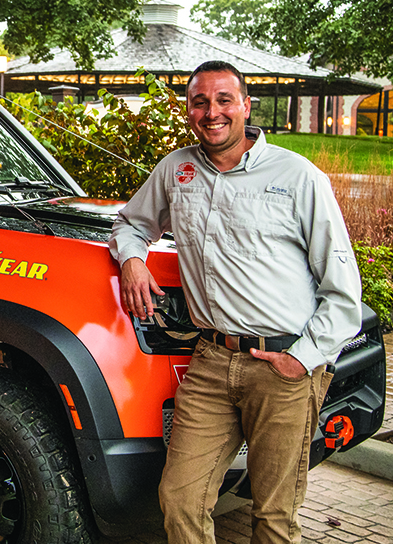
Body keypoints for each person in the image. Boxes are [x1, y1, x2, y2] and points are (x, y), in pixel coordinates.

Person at [109, 60, 361, 544]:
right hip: (210, 362)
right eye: (199, 102)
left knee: (274, 515)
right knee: (180, 498)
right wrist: (132, 261)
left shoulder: (298, 177)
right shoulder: (176, 170)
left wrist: (299, 360)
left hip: (282, 368)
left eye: (224, 100)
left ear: (246, 105)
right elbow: (131, 224)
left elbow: (343, 291)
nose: (212, 112)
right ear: (188, 110)